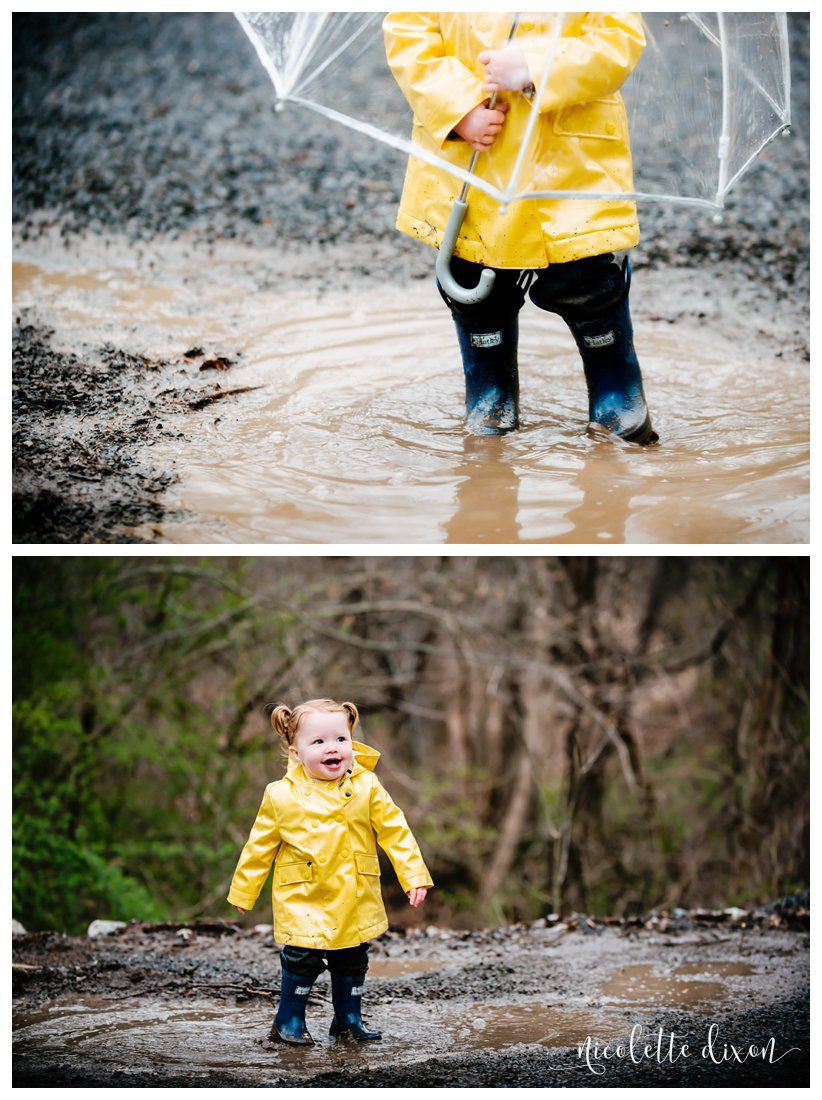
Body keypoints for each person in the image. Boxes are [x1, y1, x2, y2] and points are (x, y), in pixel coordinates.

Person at [383, 13, 657, 444]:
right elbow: (409, 33)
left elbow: (617, 38)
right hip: (476, 160)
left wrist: (536, 64)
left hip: (570, 163)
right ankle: (491, 393)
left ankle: (616, 389)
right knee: (476, 284)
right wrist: (458, 109)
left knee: (588, 280)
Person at [227, 698, 432, 1045]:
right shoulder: (281, 796)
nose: (332, 748)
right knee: (302, 958)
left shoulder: (366, 786)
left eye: (340, 739)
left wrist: (413, 876)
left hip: (354, 891)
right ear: (296, 753)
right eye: (318, 741)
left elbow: (395, 831)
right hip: (304, 893)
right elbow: (259, 847)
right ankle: (289, 1020)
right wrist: (244, 891)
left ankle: (348, 1019)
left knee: (352, 957)